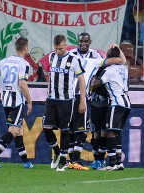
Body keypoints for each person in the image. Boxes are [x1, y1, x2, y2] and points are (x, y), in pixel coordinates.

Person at [68, 41, 122, 170]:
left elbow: (117, 61)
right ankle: (82, 160)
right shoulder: (94, 63)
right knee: (91, 132)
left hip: (98, 103)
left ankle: (109, 161)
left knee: (102, 132)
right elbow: (118, 59)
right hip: (90, 101)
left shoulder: (75, 60)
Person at [0, 37, 33, 169]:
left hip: (5, 100)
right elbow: (23, 84)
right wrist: (29, 101)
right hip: (16, 101)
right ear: (25, 48)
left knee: (19, 131)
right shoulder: (23, 64)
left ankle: (26, 162)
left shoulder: (4, 61)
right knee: (13, 130)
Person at [42, 34, 87, 172]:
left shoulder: (74, 59)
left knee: (65, 130)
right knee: (46, 128)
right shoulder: (51, 57)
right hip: (51, 99)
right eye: (56, 48)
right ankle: (56, 151)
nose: (58, 51)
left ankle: (62, 160)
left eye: (60, 48)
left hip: (66, 100)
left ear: (65, 45)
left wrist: (83, 101)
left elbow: (81, 80)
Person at [91, 45, 130, 171]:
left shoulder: (109, 71)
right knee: (117, 131)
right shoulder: (124, 68)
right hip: (126, 103)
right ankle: (118, 162)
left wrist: (93, 73)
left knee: (110, 132)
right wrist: (117, 48)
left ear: (109, 58)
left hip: (116, 103)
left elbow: (95, 84)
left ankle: (112, 163)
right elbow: (123, 60)